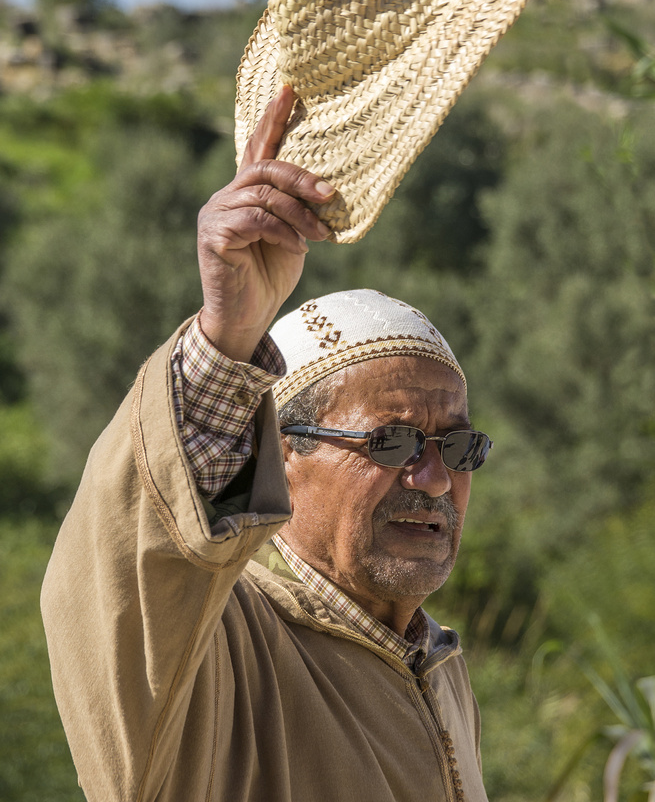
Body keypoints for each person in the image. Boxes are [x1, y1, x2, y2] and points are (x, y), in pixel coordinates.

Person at [42, 85, 491, 802]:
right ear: (279, 451)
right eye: (393, 443)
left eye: (457, 448)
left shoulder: (434, 659)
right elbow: (127, 558)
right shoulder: (206, 645)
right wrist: (226, 338)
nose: (435, 479)